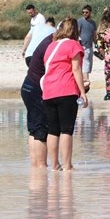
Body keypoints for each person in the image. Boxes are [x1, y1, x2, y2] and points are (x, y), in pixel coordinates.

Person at [42, 18, 88, 172]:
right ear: (75, 30)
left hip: (48, 91)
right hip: (66, 90)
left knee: (53, 130)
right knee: (66, 129)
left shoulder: (51, 46)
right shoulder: (74, 45)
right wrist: (82, 92)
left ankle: (55, 165)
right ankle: (68, 165)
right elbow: (76, 69)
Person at [20, 17, 56, 168]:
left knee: (33, 128)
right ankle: (41, 166)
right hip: (35, 88)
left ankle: (35, 166)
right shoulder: (51, 45)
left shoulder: (43, 36)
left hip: (27, 86)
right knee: (41, 128)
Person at [77, 5, 96, 91]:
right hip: (82, 46)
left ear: (90, 13)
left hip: (90, 46)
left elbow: (94, 35)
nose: (84, 14)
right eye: (83, 12)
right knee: (85, 64)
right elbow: (77, 33)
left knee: (88, 65)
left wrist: (97, 44)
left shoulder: (93, 23)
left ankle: (84, 80)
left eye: (86, 12)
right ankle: (85, 81)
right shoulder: (80, 22)